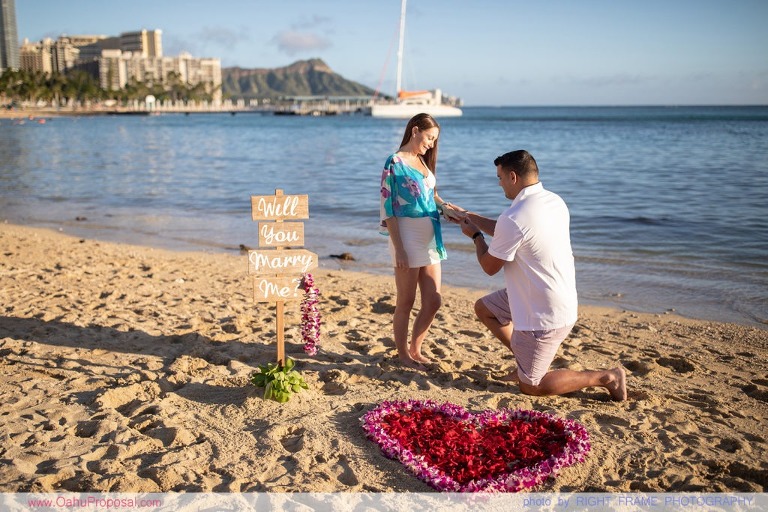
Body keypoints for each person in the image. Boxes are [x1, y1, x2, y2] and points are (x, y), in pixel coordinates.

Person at [455, 150, 627, 400]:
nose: (499, 183)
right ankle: (525, 362)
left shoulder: (513, 217)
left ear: (513, 177)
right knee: (485, 308)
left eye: (500, 177)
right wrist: (470, 217)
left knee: (532, 386)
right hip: (554, 295)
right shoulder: (553, 201)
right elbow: (512, 232)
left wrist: (476, 237)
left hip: (542, 314)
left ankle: (606, 376)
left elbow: (490, 267)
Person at [379, 113, 463, 369]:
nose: (431, 144)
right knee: (406, 300)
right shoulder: (394, 162)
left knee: (433, 301)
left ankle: (416, 349)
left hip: (430, 237)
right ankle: (403, 354)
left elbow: (431, 195)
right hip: (405, 236)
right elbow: (388, 208)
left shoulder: (422, 161)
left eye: (435, 140)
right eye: (429, 138)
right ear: (415, 130)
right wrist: (400, 249)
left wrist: (448, 208)